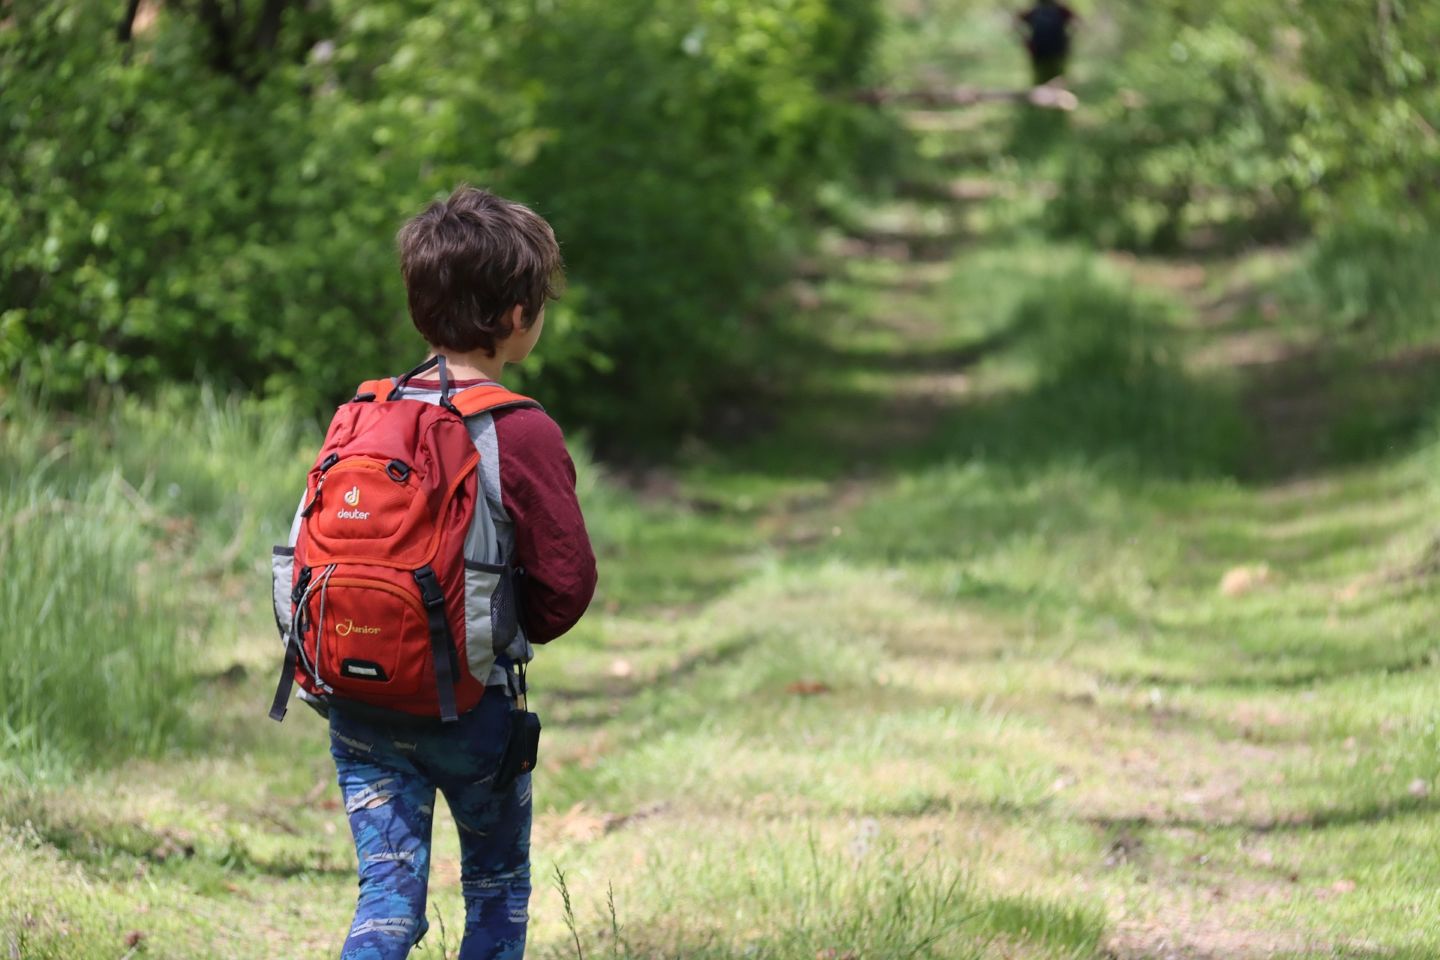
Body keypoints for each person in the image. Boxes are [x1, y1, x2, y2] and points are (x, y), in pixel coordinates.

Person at [310, 186, 597, 959]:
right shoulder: (519, 428)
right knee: (496, 890)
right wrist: (499, 626)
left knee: (387, 903)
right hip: (475, 710)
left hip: (361, 705)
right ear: (516, 318)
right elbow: (565, 586)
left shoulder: (364, 415)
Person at [1017, 0, 1078, 86]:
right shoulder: (1060, 10)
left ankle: (1048, 95)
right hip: (1055, 49)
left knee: (1044, 78)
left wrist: (1025, 39)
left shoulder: (1034, 11)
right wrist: (1069, 38)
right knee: (1055, 77)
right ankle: (1048, 96)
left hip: (1041, 50)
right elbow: (1076, 23)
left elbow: (1016, 23)